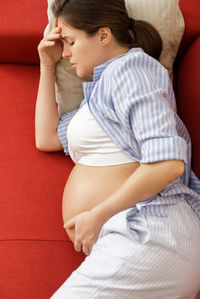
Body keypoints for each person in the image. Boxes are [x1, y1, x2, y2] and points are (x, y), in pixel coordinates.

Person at [35, 0, 200, 298]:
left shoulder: (131, 70)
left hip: (151, 231)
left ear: (102, 35)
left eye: (71, 41)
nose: (67, 53)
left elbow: (168, 163)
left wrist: (98, 215)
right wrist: (47, 65)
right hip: (133, 239)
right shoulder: (99, 94)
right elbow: (46, 138)